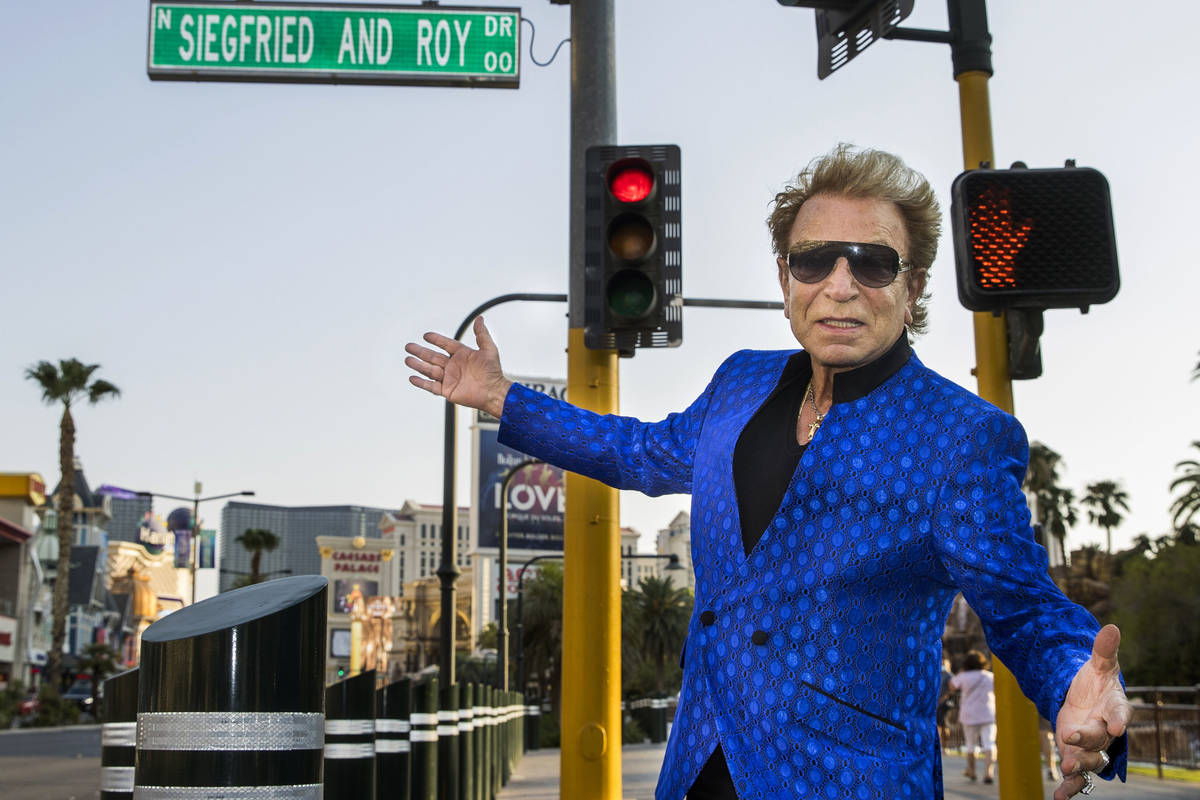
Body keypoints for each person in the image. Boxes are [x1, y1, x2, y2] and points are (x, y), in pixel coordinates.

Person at [405, 144, 1131, 800]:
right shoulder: (741, 383)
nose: (840, 286)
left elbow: (1025, 610)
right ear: (786, 279)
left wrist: (1076, 681)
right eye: (815, 260)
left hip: (852, 784)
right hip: (697, 771)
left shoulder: (962, 438)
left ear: (911, 290)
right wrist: (504, 399)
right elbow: (642, 452)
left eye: (873, 263)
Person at [951, 650, 997, 783]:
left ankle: (971, 770)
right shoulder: (989, 676)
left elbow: (952, 685)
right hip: (988, 713)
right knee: (989, 744)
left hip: (969, 714)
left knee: (971, 745)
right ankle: (989, 773)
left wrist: (961, 672)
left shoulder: (964, 676)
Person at [937, 655, 955, 753]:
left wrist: (944, 698)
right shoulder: (938, 674)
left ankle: (945, 746)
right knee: (938, 725)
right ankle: (939, 746)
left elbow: (952, 689)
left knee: (944, 725)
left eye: (944, 664)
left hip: (945, 704)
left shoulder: (950, 676)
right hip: (937, 703)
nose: (942, 665)